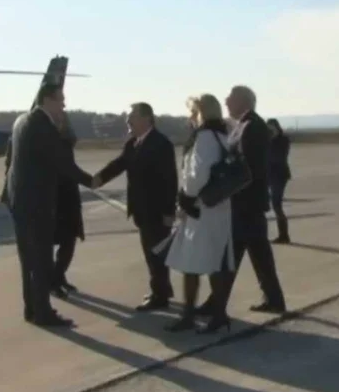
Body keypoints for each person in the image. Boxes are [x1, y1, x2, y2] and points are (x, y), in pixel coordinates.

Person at [4, 83, 94, 327]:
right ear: (46, 100)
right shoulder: (43, 126)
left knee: (28, 260)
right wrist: (92, 181)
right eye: (60, 100)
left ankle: (31, 309)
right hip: (36, 204)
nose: (63, 105)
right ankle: (43, 314)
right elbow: (63, 163)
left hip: (19, 202)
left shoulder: (21, 121)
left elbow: (10, 161)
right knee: (42, 260)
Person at [196, 86, 286, 321]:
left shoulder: (251, 127)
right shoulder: (244, 125)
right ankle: (274, 300)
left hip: (246, 204)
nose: (225, 100)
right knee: (259, 256)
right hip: (247, 203)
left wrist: (224, 188)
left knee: (230, 257)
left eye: (230, 98)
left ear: (243, 101)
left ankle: (216, 305)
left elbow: (250, 170)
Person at [159, 94, 235, 333]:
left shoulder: (203, 137)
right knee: (215, 263)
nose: (190, 117)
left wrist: (186, 197)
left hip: (200, 209)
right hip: (218, 207)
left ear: (201, 113)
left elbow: (197, 174)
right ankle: (218, 314)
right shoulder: (223, 135)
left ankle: (189, 315)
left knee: (191, 264)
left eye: (193, 112)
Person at [93, 102, 178, 311]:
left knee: (156, 254)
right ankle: (162, 290)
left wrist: (169, 212)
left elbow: (170, 180)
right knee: (151, 254)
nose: (127, 121)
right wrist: (97, 179)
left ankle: (160, 296)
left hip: (157, 211)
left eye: (132, 116)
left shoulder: (161, 143)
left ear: (146, 119)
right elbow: (119, 164)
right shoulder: (133, 143)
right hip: (140, 210)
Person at [51, 112, 86, 297]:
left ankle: (58, 276)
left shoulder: (65, 143)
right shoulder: (52, 143)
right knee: (61, 241)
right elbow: (69, 169)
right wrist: (92, 180)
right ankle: (54, 280)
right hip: (55, 198)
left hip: (68, 197)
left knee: (68, 242)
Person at [266, 118, 292, 243]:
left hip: (279, 175)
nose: (271, 131)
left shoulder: (283, 140)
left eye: (272, 128)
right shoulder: (267, 140)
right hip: (269, 175)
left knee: (277, 205)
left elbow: (279, 157)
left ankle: (284, 235)